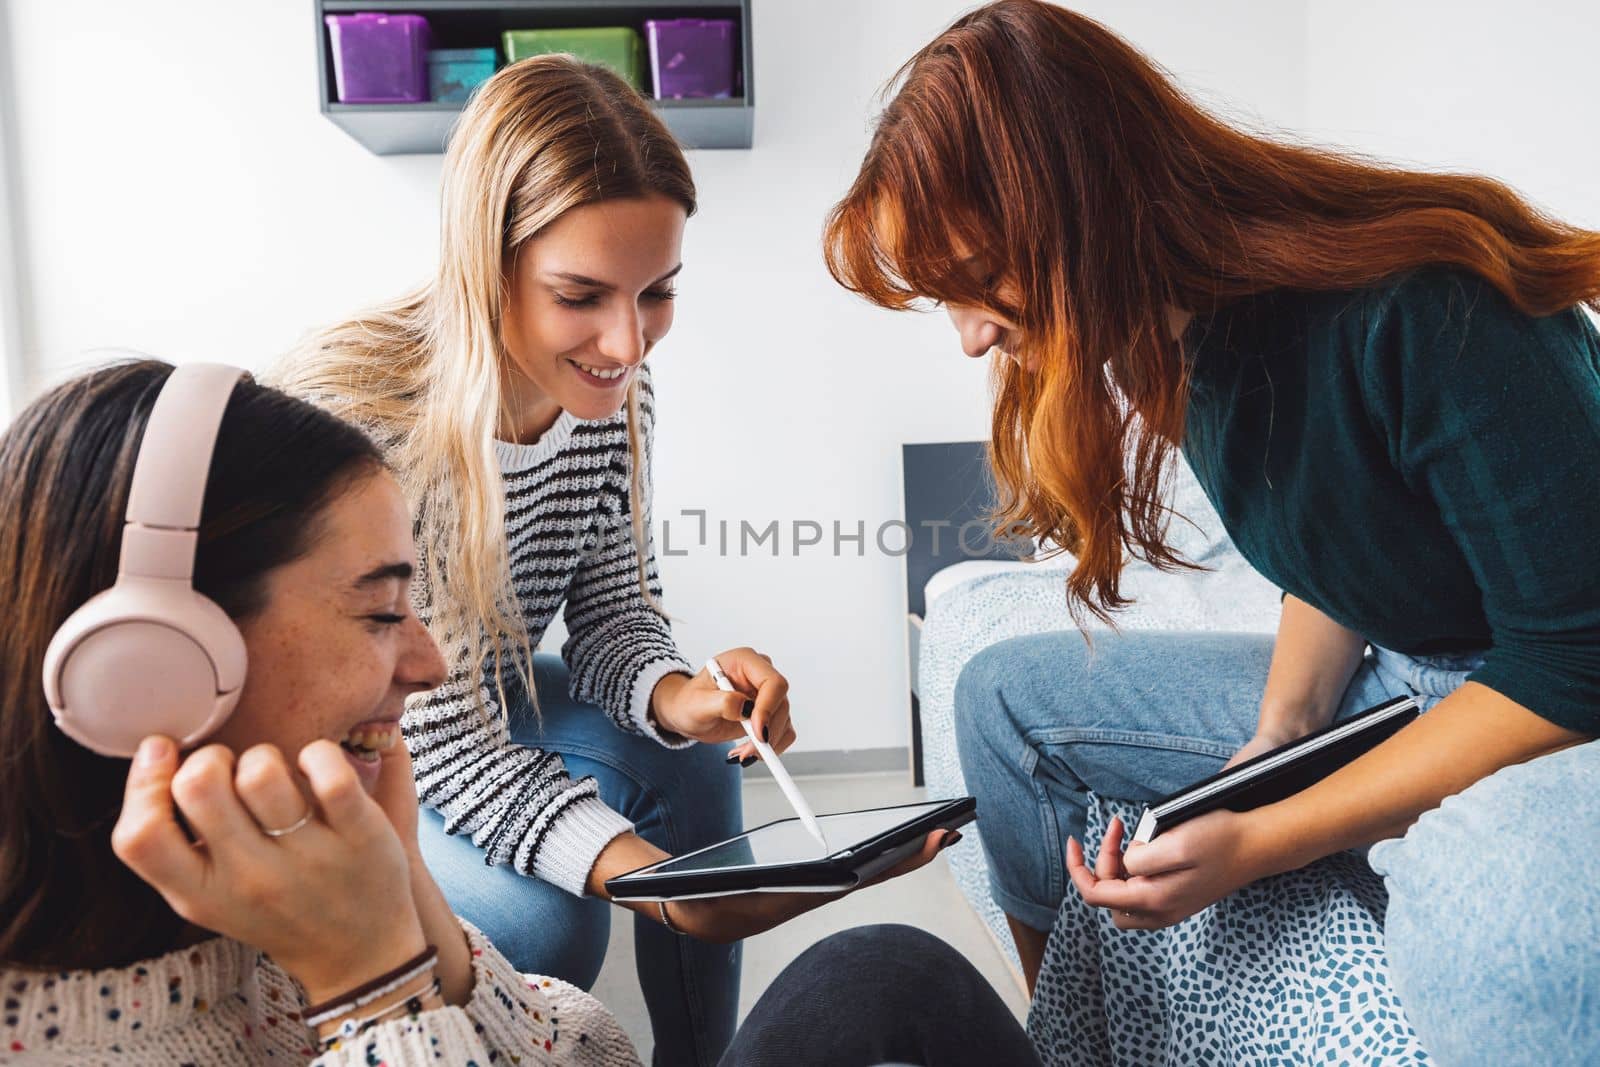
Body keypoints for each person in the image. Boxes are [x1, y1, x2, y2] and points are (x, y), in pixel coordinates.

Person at [822, 1, 1600, 1061]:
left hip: (1536, 700)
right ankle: (1053, 1037)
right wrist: (1279, 735)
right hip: (1399, 676)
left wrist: (1262, 836)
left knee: (1502, 938)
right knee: (995, 693)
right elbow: (1337, 538)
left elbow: (1572, 665)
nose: (968, 337)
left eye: (979, 282)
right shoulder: (1182, 336)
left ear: (1082, 211)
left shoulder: (1436, 306)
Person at [0, 358, 1036, 1067]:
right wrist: (373, 984)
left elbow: (587, 1049)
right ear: (155, 668)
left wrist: (413, 910)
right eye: (376, 609)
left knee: (883, 963)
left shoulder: (269, 874)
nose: (427, 656)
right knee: (553, 915)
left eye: (655, 292)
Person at [274, 58, 795, 1065]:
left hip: (477, 701)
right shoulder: (373, 426)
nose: (626, 339)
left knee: (694, 765)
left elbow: (612, 617)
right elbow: (443, 740)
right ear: (486, 263)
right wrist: (661, 884)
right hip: (350, 749)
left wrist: (687, 695)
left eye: (657, 292)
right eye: (581, 294)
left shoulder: (612, 396)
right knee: (555, 924)